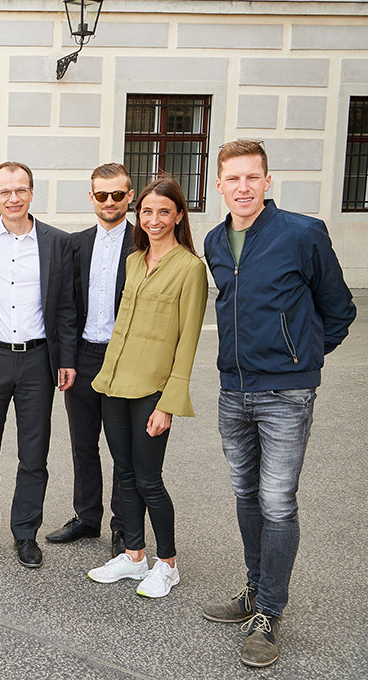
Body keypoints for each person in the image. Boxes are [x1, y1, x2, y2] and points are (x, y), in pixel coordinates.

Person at [201, 140, 355, 667]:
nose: (242, 187)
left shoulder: (302, 233)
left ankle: (269, 611)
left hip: (286, 394)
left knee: (277, 501)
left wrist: (301, 358)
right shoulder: (215, 241)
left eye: (252, 177)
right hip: (233, 391)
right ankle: (253, 589)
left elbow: (339, 309)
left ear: (267, 182)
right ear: (218, 185)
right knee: (246, 494)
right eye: (233, 179)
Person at [86, 176, 207, 599]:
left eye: (164, 212)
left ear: (179, 216)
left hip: (153, 391)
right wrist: (104, 380)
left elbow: (187, 341)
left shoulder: (190, 268)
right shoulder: (135, 261)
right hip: (114, 384)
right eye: (148, 212)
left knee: (149, 479)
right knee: (124, 474)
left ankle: (167, 564)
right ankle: (135, 556)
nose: (154, 220)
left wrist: (168, 403)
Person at [0, 161, 76, 569]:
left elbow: (66, 306)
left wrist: (66, 359)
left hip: (38, 360)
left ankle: (26, 533)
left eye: (20, 189)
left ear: (31, 193)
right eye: (4, 191)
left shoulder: (56, 241)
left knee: (34, 454)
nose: (13, 198)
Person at [45, 163, 132, 556]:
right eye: (101, 195)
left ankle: (123, 526)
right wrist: (66, 358)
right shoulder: (75, 244)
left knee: (122, 449)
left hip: (123, 359)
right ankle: (86, 516)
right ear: (92, 197)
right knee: (83, 444)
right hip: (82, 356)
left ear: (129, 196)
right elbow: (66, 305)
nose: (109, 201)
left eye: (117, 194)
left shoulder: (144, 242)